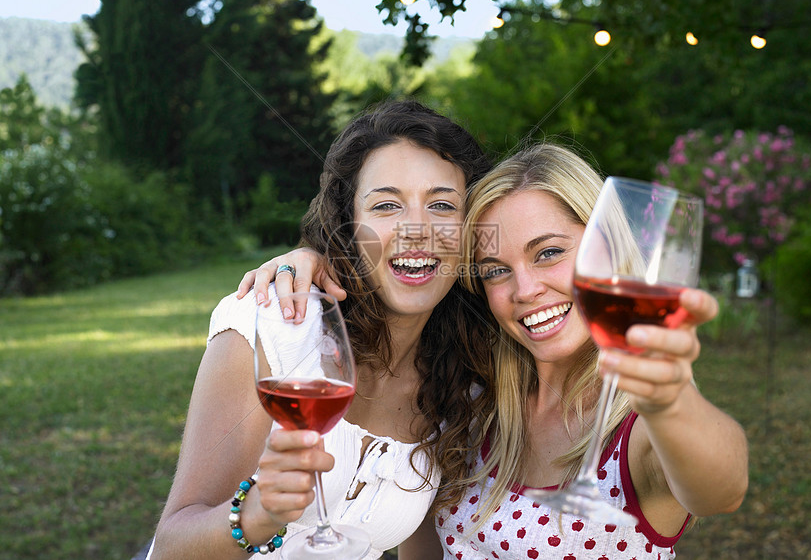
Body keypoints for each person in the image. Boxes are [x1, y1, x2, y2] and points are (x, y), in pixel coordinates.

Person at [242, 143, 749, 559]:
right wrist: (313, 257)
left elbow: (721, 489)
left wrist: (671, 402)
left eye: (549, 253)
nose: (525, 289)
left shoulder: (635, 429)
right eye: (495, 270)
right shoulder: (472, 404)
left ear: (610, 252)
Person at [149, 99, 495, 560]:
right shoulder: (274, 325)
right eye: (387, 204)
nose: (417, 229)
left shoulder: (462, 380)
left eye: (442, 204)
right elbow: (173, 545)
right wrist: (258, 514)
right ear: (349, 225)